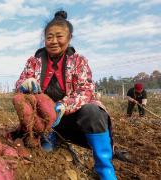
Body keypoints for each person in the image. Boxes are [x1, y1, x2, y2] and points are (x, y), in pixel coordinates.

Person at [14, 10, 117, 180]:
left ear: (69, 38)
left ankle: (105, 168)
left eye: (59, 36)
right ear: (44, 39)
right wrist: (23, 86)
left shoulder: (78, 61)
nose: (54, 41)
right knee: (21, 101)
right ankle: (49, 135)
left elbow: (86, 89)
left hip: (74, 117)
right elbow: (19, 85)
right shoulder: (34, 62)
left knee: (93, 111)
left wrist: (65, 105)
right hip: (45, 119)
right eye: (49, 37)